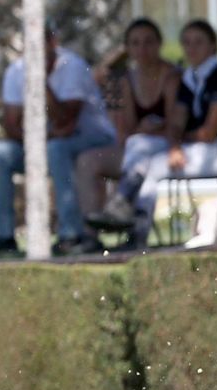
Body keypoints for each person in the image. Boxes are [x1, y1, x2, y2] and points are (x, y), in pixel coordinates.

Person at [90, 20, 217, 247]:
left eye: (198, 42)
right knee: (139, 142)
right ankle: (121, 203)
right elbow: (177, 122)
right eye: (186, 43)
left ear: (213, 46)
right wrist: (174, 144)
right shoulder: (190, 80)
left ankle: (136, 232)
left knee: (155, 168)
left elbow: (209, 133)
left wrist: (177, 144)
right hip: (194, 145)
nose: (191, 49)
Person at [0, 24, 116, 257]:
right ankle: (2, 236)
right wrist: (39, 140)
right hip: (42, 142)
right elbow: (11, 125)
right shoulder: (15, 72)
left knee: (56, 149)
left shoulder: (73, 66)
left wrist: (41, 83)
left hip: (89, 139)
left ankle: (70, 234)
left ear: (52, 42)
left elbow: (67, 121)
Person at [73, 18, 180, 251]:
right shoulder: (125, 80)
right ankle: (90, 235)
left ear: (159, 44)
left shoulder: (172, 76)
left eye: (148, 42)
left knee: (142, 149)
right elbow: (125, 132)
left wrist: (153, 131)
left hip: (166, 150)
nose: (142, 49)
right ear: (128, 48)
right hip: (135, 150)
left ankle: (124, 213)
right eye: (135, 43)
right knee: (88, 161)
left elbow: (176, 124)